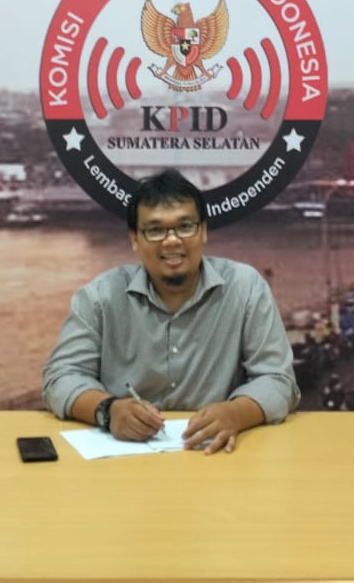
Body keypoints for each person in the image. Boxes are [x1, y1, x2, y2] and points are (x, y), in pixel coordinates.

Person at [42, 169, 299, 454]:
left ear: (203, 231)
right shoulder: (100, 297)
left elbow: (278, 380)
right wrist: (108, 410)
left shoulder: (246, 288)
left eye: (185, 226)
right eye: (155, 230)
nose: (172, 240)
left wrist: (236, 414)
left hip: (216, 455)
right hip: (123, 457)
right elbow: (61, 377)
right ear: (135, 239)